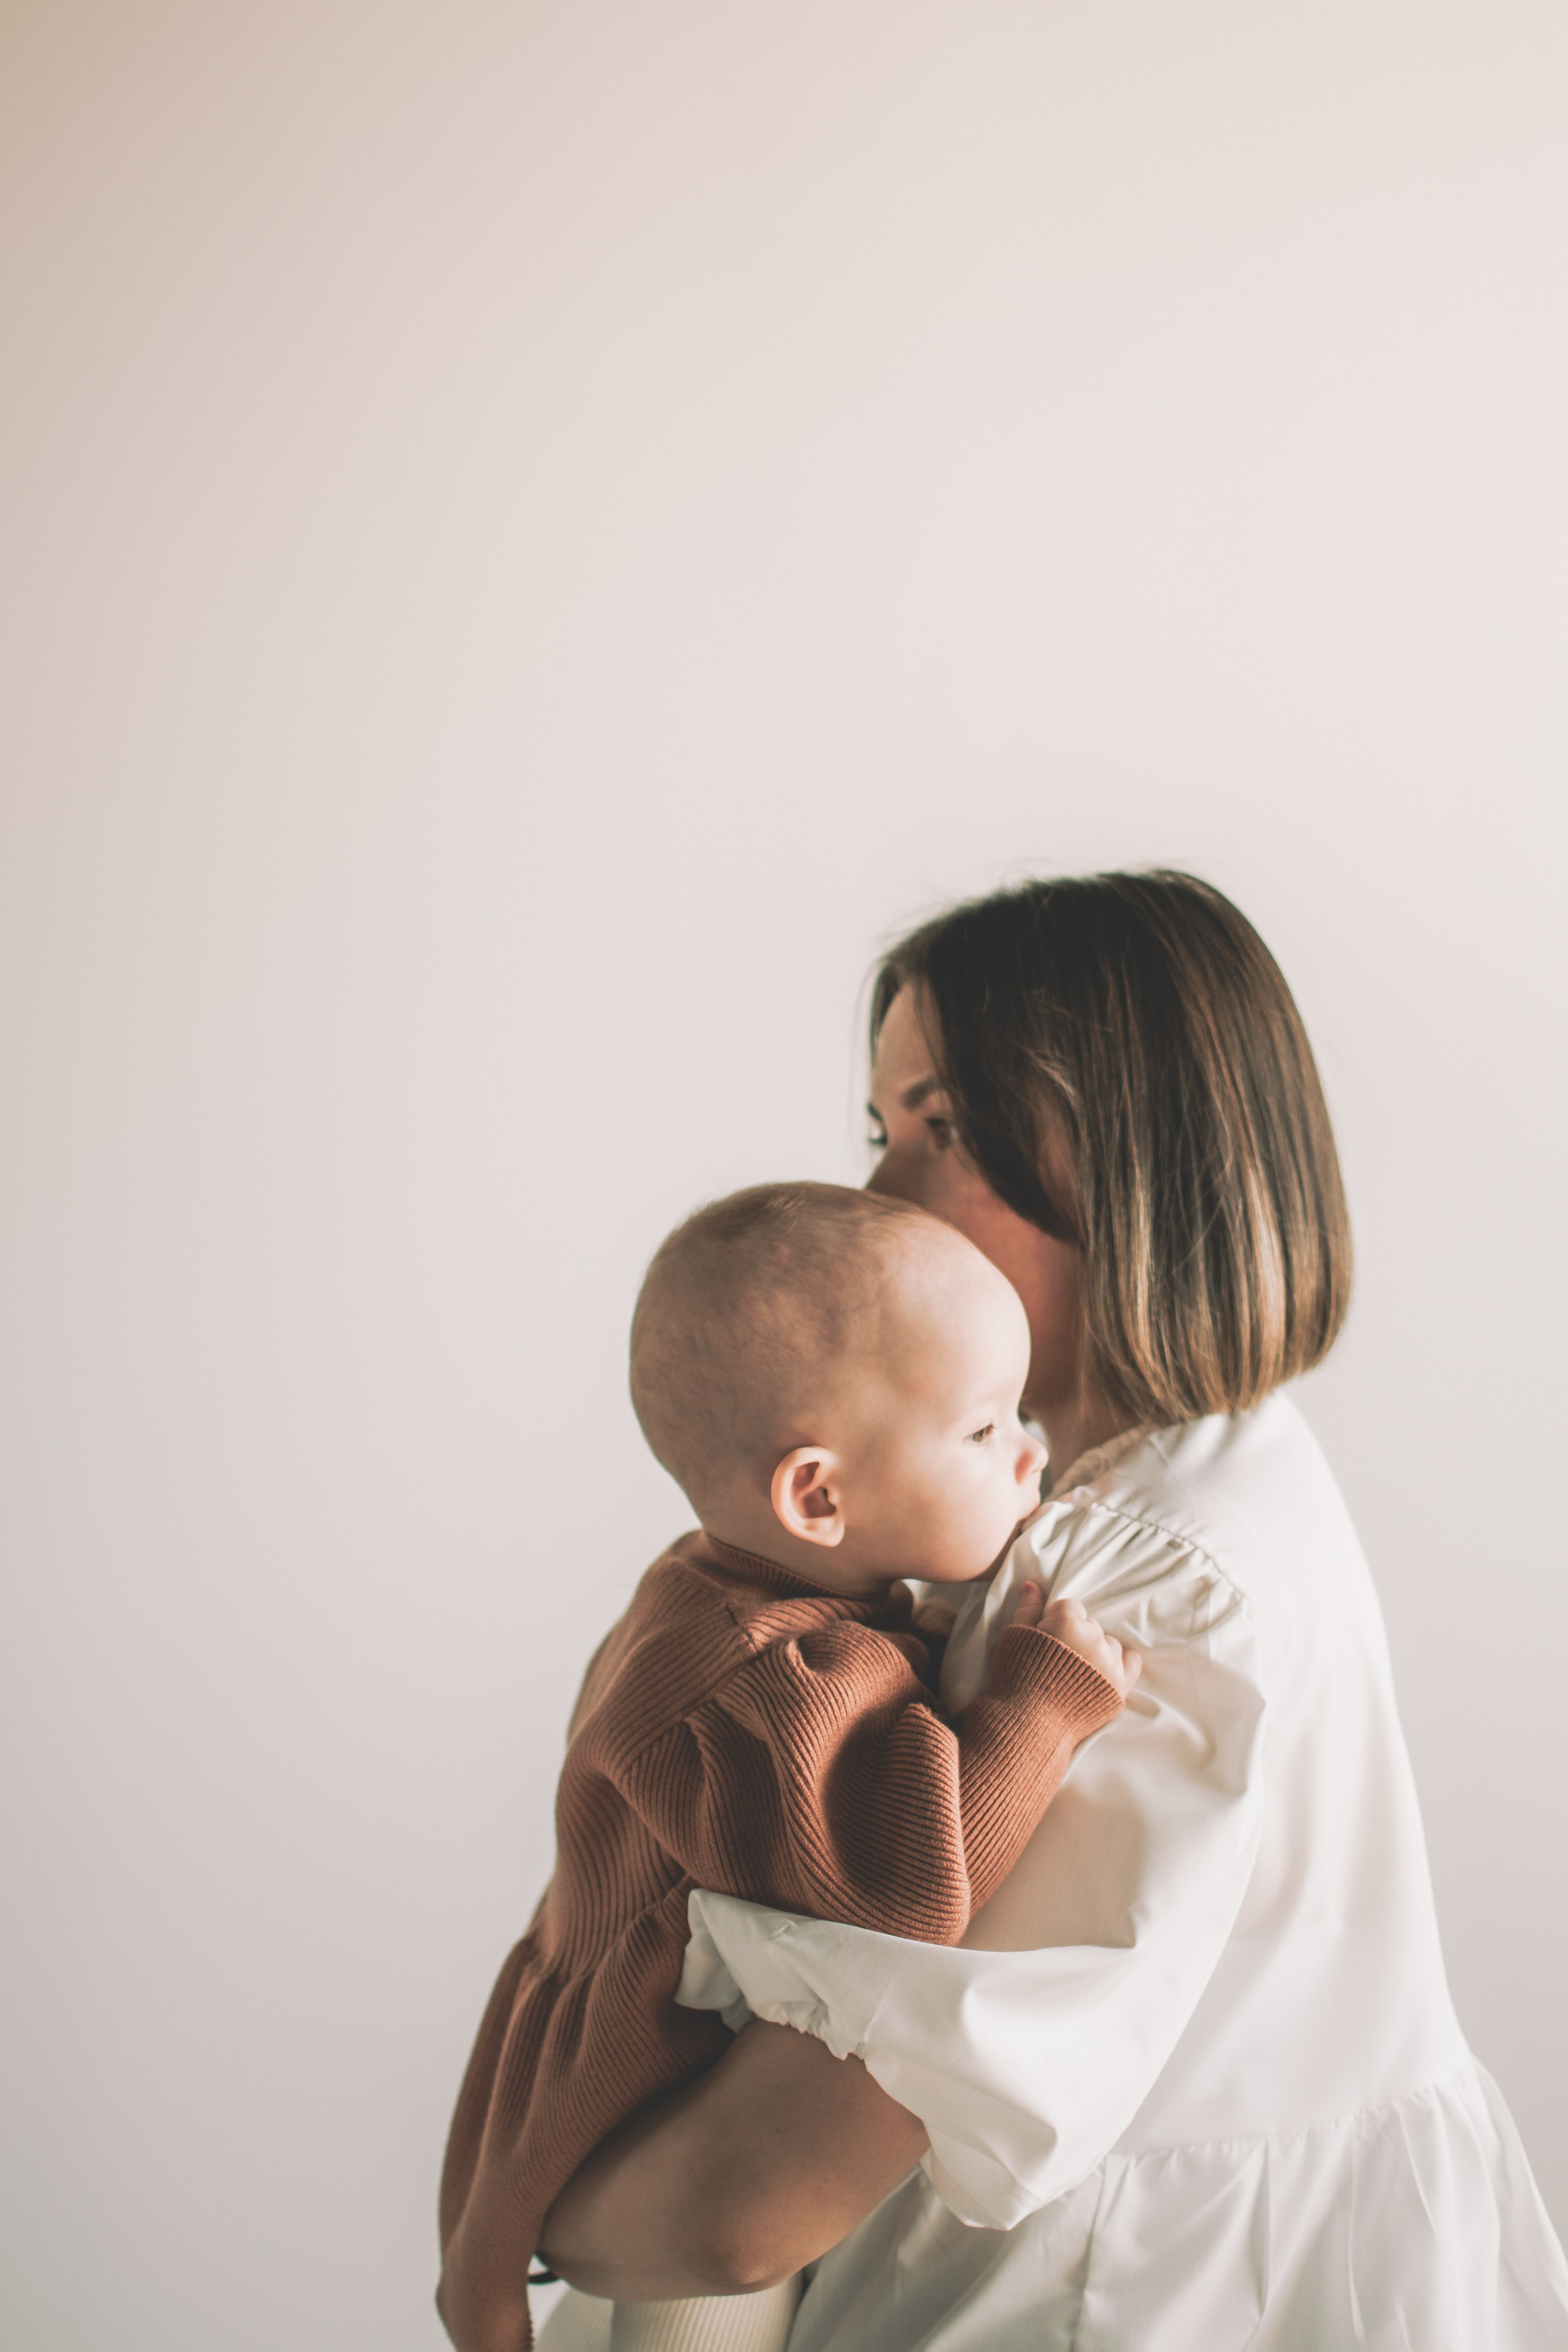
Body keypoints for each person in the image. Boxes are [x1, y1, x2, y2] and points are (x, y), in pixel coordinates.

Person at [535, 872, 1568, 2351]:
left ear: (1144, 1150)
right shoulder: (1179, 1478)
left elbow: (752, 2201)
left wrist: (530, 2212)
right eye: (876, 1131)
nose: (873, 1199)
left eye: (942, 1127)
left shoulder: (1135, 1580)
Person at [437, 1181, 1140, 2352]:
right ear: (818, 1496)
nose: (1033, 1454)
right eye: (983, 1431)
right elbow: (905, 1891)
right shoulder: (767, 1678)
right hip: (654, 2088)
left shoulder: (734, 1582)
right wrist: (1043, 1703)